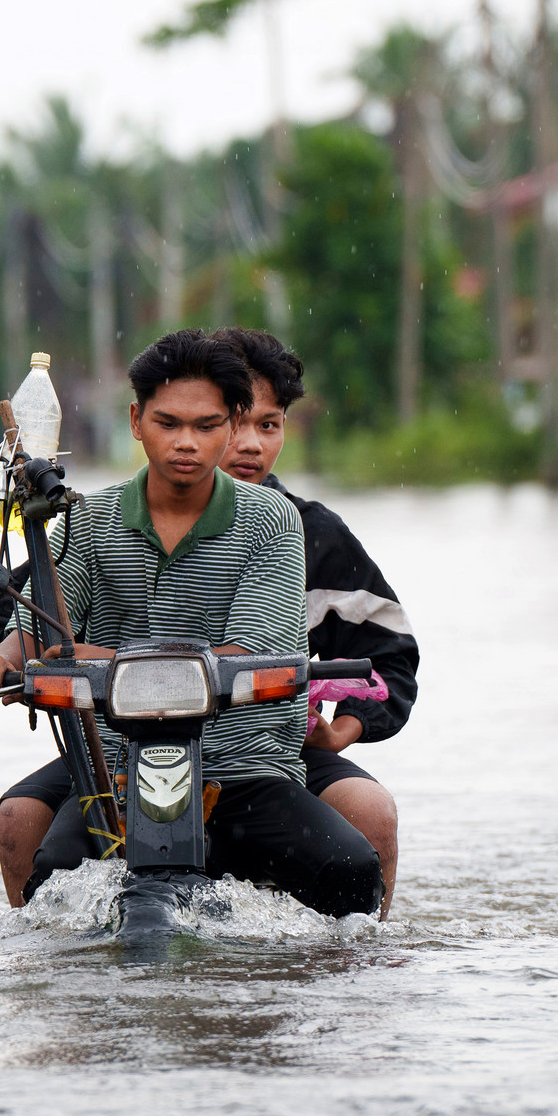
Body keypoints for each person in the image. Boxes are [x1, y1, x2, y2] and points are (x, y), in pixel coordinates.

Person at [0, 328, 382, 918]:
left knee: (350, 871)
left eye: (206, 426)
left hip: (244, 764)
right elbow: (47, 624)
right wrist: (0, 661)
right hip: (118, 770)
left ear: (232, 425)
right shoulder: (91, 519)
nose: (187, 442)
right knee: (53, 886)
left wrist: (93, 658)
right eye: (167, 423)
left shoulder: (273, 522)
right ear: (136, 421)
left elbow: (245, 651)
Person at [212, 327, 418, 913]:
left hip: (278, 750)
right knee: (21, 817)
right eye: (232, 422)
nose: (249, 444)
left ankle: (356, 977)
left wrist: (342, 729)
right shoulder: (119, 521)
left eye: (268, 425)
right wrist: (9, 661)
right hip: (135, 747)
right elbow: (32, 603)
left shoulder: (313, 532)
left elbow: (390, 651)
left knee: (373, 813)